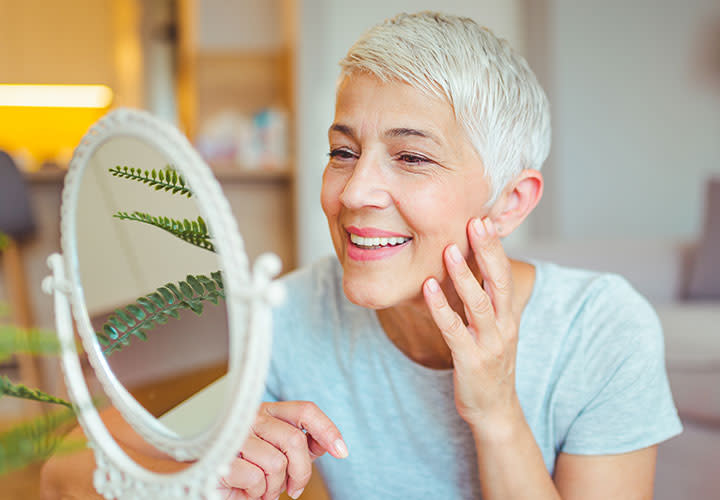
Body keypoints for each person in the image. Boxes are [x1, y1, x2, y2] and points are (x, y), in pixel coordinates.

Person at [42, 11, 682, 500]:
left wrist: (495, 409)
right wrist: (203, 453)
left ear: (511, 201)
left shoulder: (601, 327)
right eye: (343, 151)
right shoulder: (290, 313)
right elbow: (62, 471)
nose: (352, 193)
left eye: (412, 157)